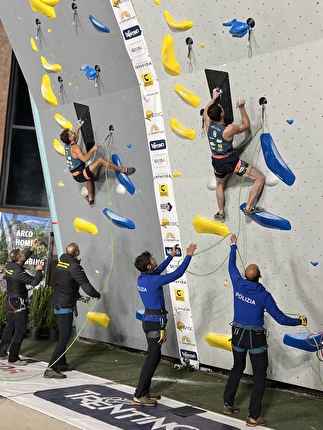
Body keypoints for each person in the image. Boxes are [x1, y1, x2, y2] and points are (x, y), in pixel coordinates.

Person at [224, 234, 307, 427]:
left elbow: (231, 267)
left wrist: (233, 246)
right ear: (259, 277)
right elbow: (280, 318)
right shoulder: (264, 295)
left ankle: (228, 404)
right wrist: (298, 322)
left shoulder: (237, 283)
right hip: (255, 339)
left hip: (237, 335)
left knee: (237, 367)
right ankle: (253, 416)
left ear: (246, 276)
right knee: (259, 376)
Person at [133, 242, 197, 406]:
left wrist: (171, 256)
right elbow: (178, 273)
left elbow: (158, 270)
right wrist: (188, 255)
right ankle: (139, 394)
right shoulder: (153, 280)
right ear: (148, 265)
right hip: (154, 324)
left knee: (154, 357)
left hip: (150, 322)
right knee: (152, 359)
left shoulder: (143, 278)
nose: (155, 259)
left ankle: (145, 389)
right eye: (152, 259)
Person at [203, 88, 265, 220]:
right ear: (221, 114)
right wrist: (241, 107)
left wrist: (214, 98)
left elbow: (205, 114)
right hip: (231, 162)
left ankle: (220, 212)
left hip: (216, 162)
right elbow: (246, 125)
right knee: (260, 178)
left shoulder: (208, 125)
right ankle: (248, 207)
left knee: (219, 184)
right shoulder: (229, 129)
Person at [44, 242, 101, 379]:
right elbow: (87, 286)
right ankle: (51, 368)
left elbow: (66, 284)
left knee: (64, 335)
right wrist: (96, 294)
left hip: (57, 303)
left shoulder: (60, 263)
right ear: (77, 253)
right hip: (65, 306)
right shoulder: (75, 267)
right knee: (64, 337)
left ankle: (61, 363)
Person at [60, 121, 136, 205]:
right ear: (70, 139)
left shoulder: (67, 145)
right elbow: (85, 159)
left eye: (72, 132)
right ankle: (122, 170)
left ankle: (90, 198)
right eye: (71, 134)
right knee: (100, 161)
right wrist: (93, 149)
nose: (73, 133)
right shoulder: (75, 148)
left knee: (89, 178)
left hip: (77, 175)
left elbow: (75, 137)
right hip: (80, 174)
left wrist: (78, 128)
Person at [0, 240, 43, 365]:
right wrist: (39, 270)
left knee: (10, 326)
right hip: (18, 302)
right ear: (19, 258)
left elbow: (21, 262)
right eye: (23, 253)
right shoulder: (19, 273)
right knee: (20, 329)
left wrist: (31, 250)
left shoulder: (9, 265)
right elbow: (35, 282)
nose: (24, 254)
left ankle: (2, 352)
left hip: (10, 300)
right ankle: (13, 357)